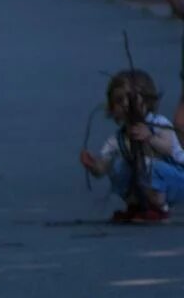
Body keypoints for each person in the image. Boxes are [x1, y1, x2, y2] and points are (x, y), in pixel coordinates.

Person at [79, 69, 184, 223]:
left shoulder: (158, 123)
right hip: (146, 181)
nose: (126, 104)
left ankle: (159, 207)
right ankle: (135, 205)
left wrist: (150, 137)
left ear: (146, 100)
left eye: (132, 99)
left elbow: (169, 148)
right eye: (119, 101)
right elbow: (104, 166)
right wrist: (94, 166)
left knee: (150, 166)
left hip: (176, 179)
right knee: (119, 167)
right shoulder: (118, 139)